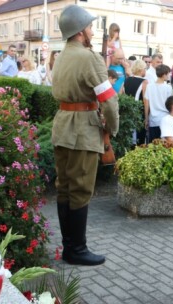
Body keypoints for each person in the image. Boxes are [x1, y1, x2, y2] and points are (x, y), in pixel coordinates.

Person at [51, 5, 119, 266]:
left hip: (63, 126)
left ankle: (70, 246)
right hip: (82, 129)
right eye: (89, 26)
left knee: (65, 188)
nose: (92, 30)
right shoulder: (89, 57)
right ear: (80, 31)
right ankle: (76, 250)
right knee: (80, 190)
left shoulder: (62, 55)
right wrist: (112, 128)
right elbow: (109, 100)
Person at [144, 64, 171, 142]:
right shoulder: (168, 88)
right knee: (165, 145)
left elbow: (146, 103)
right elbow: (170, 104)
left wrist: (146, 119)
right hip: (165, 119)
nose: (169, 75)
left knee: (153, 144)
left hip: (153, 119)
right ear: (164, 74)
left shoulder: (149, 86)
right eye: (168, 73)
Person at [124, 59, 149, 145]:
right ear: (141, 70)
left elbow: (120, 94)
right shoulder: (144, 82)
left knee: (128, 140)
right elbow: (146, 102)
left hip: (127, 113)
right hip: (138, 114)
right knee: (139, 141)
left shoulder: (127, 80)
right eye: (145, 68)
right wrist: (146, 118)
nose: (146, 70)